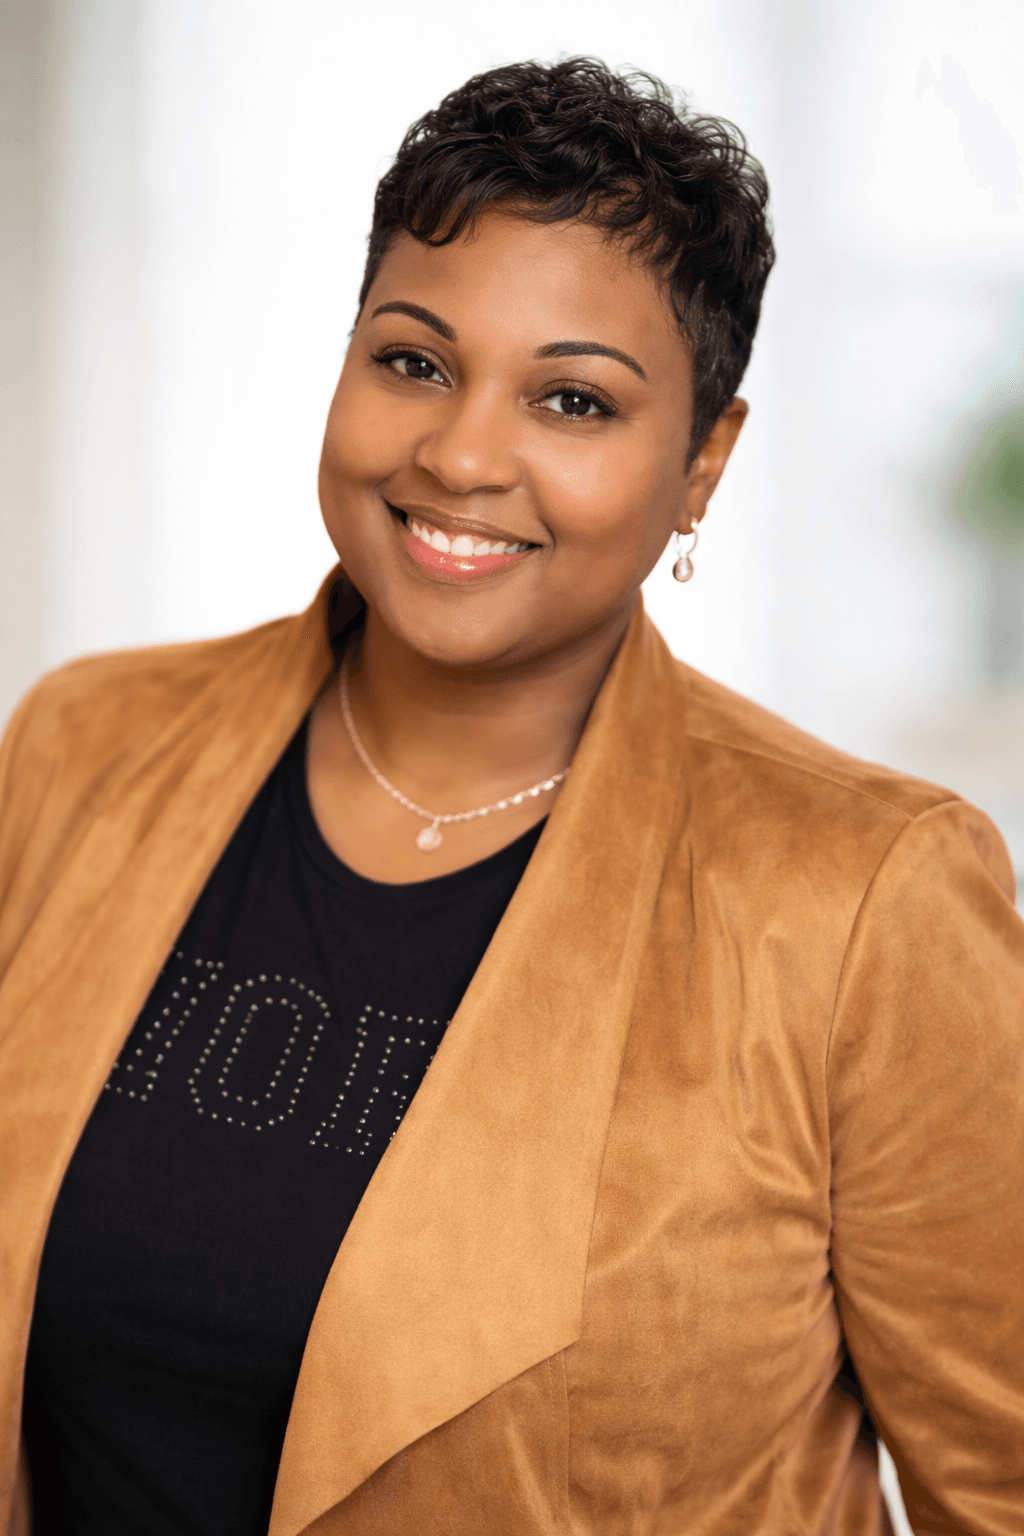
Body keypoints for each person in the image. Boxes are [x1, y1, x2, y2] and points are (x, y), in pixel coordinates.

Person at [1, 56, 1021, 1536]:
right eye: (413, 361)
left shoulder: (870, 896)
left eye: (572, 400)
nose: (464, 454)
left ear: (702, 466)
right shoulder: (85, 746)